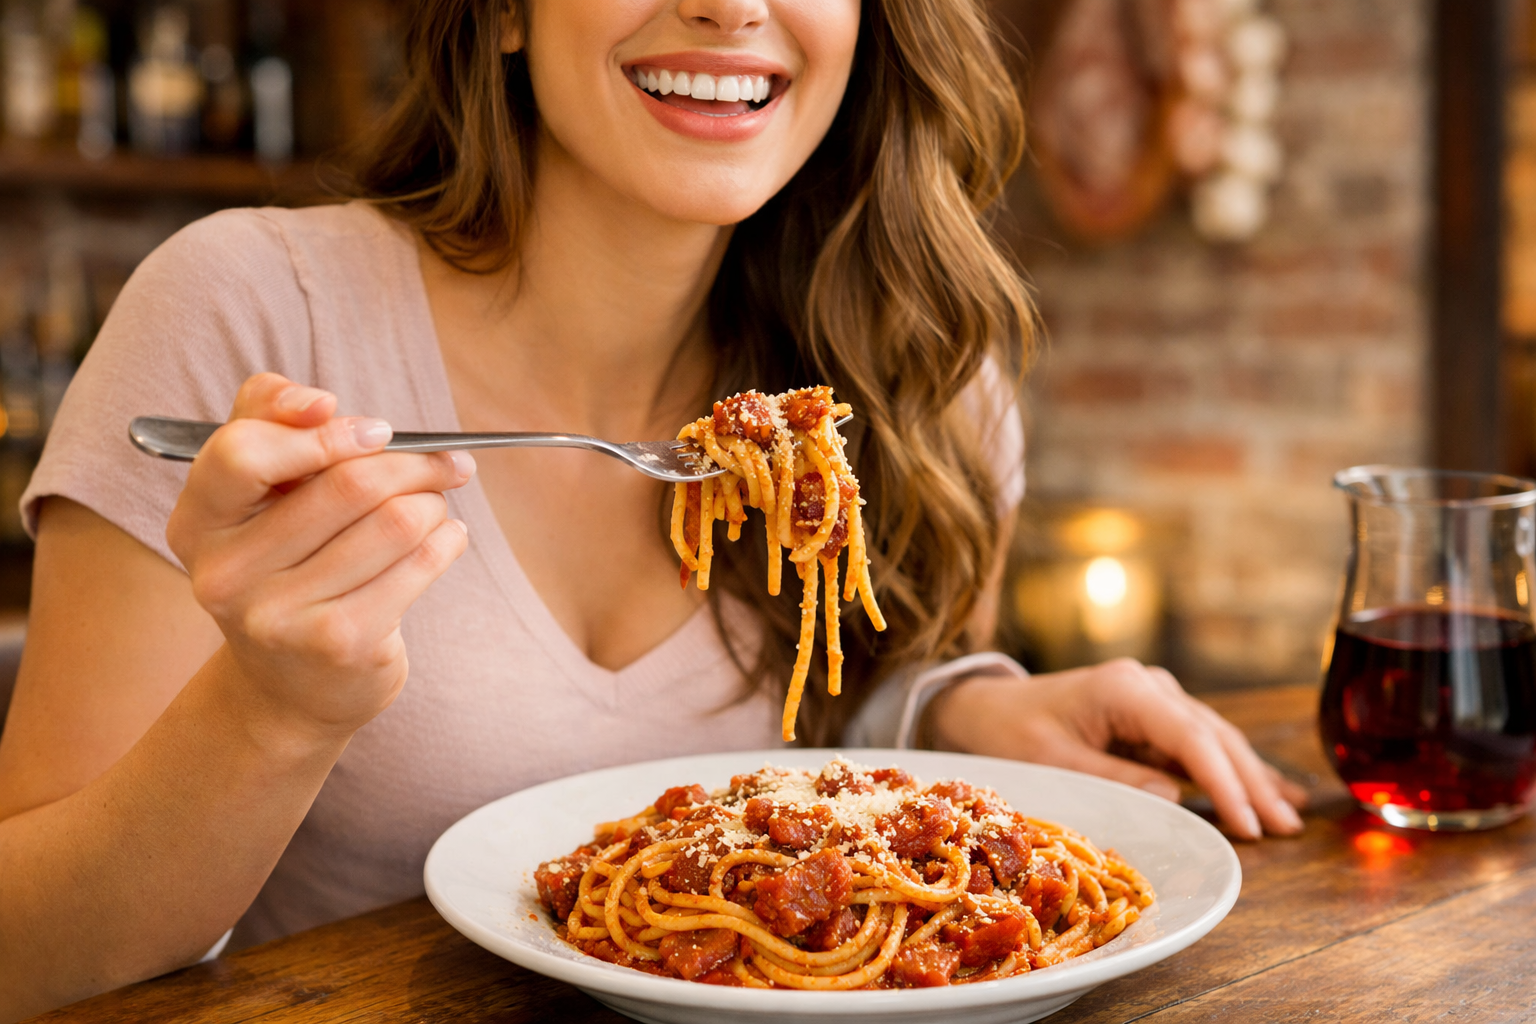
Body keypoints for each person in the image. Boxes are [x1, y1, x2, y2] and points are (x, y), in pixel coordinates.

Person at [0, 0, 1304, 1017]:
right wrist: (269, 713)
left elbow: (830, 751)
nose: (729, 9)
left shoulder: (923, 383)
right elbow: (26, 961)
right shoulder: (248, 313)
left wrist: (957, 707)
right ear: (503, 13)